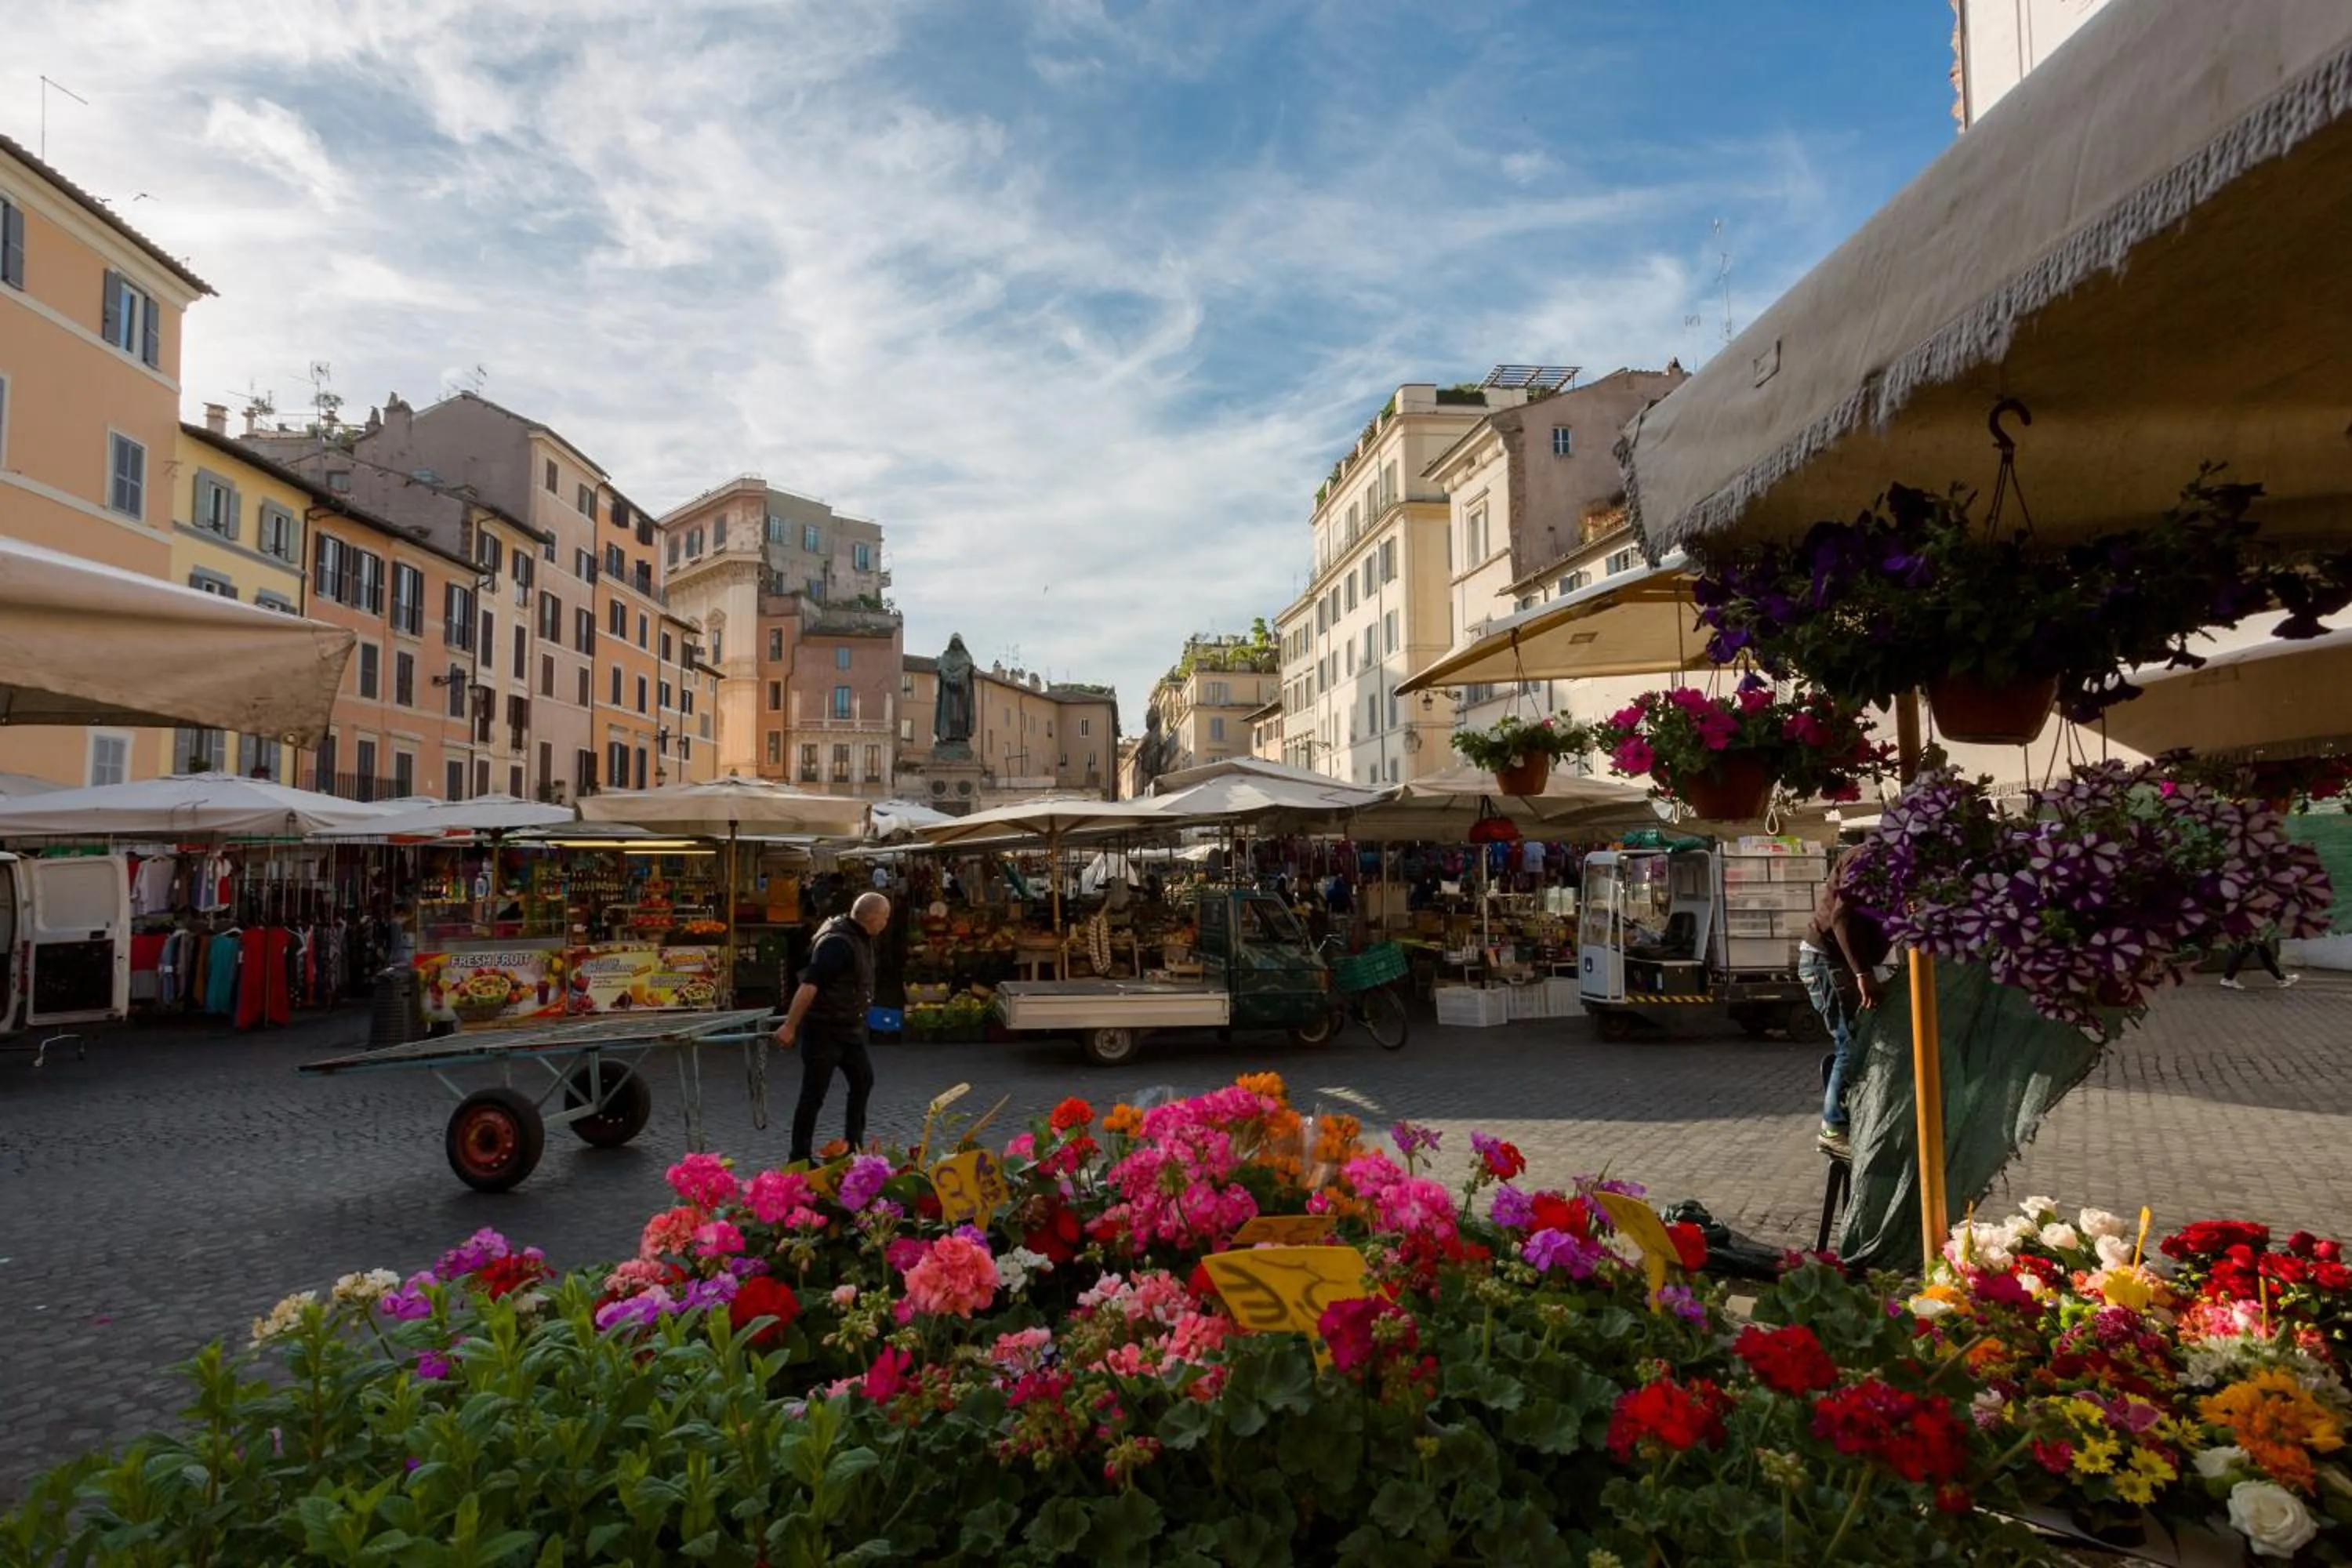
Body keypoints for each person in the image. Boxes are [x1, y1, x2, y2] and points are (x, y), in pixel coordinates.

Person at [775, 891, 889, 1163]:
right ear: (873, 918)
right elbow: (809, 985)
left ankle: (854, 1146)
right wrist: (789, 1026)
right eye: (885, 917)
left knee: (863, 1080)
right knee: (813, 1095)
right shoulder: (838, 944)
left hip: (848, 1029)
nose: (886, 923)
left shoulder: (858, 936)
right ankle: (799, 1156)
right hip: (824, 1030)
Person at [1799, 851, 1889, 1158]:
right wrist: (1863, 973)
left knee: (1858, 1042)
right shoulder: (1868, 858)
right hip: (1828, 961)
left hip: (1842, 963)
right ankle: (1833, 1128)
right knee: (1850, 1043)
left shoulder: (1896, 866)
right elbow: (1841, 917)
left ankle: (1848, 1116)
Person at [2218, 935, 2300, 990]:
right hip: (2252, 934)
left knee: (2264, 955)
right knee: (2243, 953)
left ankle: (2280, 978)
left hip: (2254, 934)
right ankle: (2228, 978)